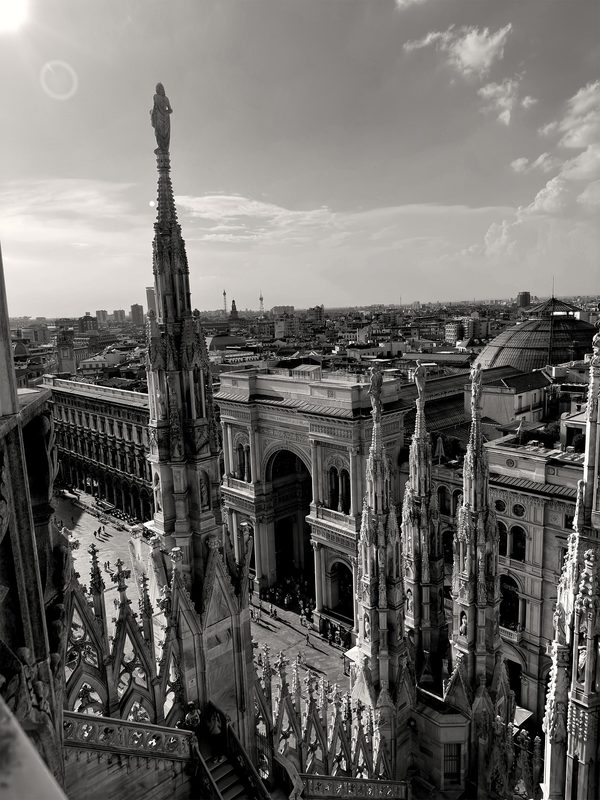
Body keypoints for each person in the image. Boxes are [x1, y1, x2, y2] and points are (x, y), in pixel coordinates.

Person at [150, 83, 173, 153]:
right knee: (164, 135)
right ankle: (163, 148)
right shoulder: (166, 98)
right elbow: (170, 110)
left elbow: (155, 107)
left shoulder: (155, 96)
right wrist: (165, 112)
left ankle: (161, 147)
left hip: (159, 118)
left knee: (158, 133)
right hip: (166, 118)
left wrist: (151, 114)